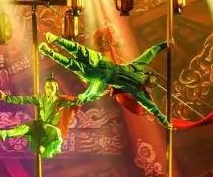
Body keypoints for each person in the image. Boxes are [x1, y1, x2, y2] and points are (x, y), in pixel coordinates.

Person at [39, 32, 170, 128]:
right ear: (147, 76)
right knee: (77, 56)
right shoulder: (137, 77)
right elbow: (151, 52)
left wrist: (165, 45)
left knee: (76, 57)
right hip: (103, 69)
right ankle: (52, 45)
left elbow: (152, 107)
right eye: (148, 78)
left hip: (102, 72)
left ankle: (51, 47)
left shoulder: (137, 83)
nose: (145, 79)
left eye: (148, 80)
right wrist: (164, 45)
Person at [0, 77, 78, 159]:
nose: (49, 90)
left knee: (56, 132)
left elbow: (78, 101)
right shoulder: (40, 98)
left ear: (56, 88)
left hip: (50, 128)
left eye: (52, 87)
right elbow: (23, 100)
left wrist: (83, 97)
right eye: (47, 87)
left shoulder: (61, 101)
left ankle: (43, 147)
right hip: (40, 125)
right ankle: (4, 134)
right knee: (26, 127)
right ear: (45, 88)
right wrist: (6, 97)